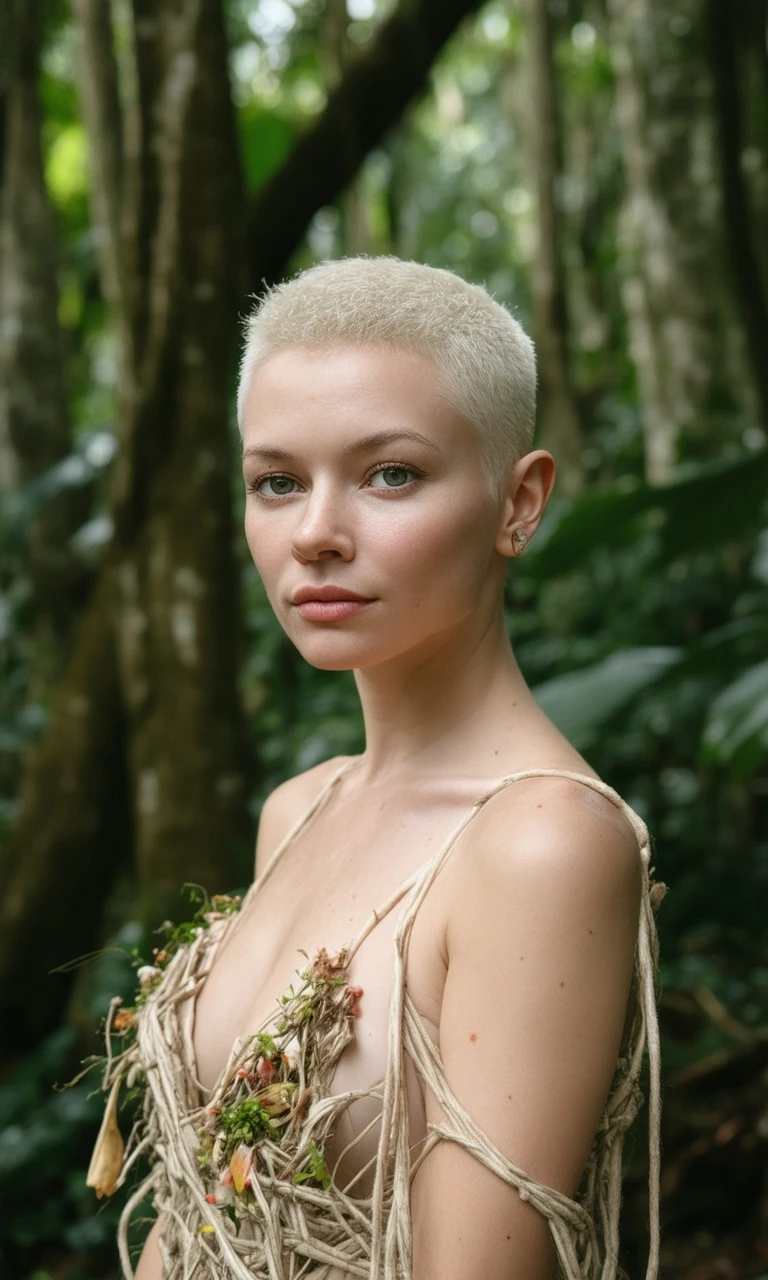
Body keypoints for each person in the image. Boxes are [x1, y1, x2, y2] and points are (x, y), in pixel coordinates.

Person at [91, 257, 662, 1280]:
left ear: (517, 501)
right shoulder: (300, 807)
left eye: (390, 473)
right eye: (277, 481)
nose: (314, 533)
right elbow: (207, 1204)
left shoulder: (540, 843)